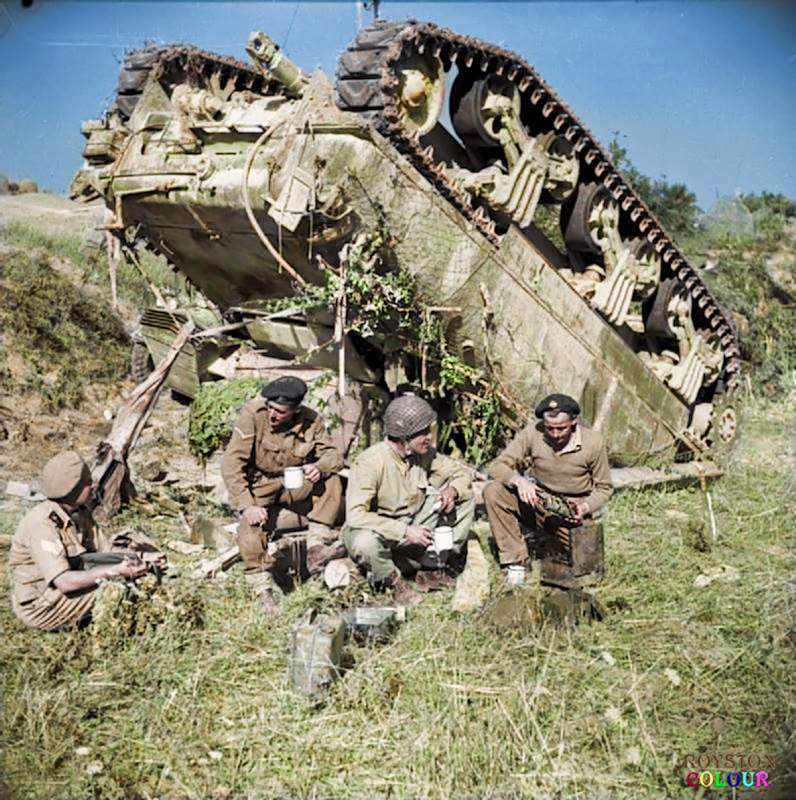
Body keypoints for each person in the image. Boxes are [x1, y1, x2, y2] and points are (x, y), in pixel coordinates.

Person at [221, 376, 344, 615]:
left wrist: (318, 467)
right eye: (270, 408)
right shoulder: (253, 415)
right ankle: (262, 588)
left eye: (280, 411)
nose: (273, 415)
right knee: (250, 527)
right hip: (260, 485)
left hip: (293, 482)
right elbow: (231, 464)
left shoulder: (311, 420)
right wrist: (247, 506)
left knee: (332, 479)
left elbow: (334, 457)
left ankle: (317, 546)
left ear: (296, 410)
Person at [342, 394, 475, 605]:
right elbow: (356, 516)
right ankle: (395, 584)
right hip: (380, 530)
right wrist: (404, 531)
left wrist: (452, 491)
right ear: (404, 438)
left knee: (466, 498)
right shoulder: (370, 462)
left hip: (413, 524)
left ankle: (430, 568)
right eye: (422, 433)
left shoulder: (424, 454)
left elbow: (461, 473)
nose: (429, 437)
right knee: (364, 542)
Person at [9, 450, 150, 631]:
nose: (93, 486)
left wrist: (141, 558)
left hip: (60, 590)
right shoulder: (42, 524)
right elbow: (65, 582)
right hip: (41, 605)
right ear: (72, 488)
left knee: (139, 574)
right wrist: (115, 571)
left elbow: (105, 552)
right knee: (122, 587)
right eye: (87, 482)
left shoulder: (78, 512)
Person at [483, 393, 613, 588]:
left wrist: (585, 508)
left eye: (561, 428)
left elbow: (604, 488)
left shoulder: (593, 443)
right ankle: (516, 560)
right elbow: (497, 466)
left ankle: (550, 542)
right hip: (537, 501)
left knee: (587, 569)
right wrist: (518, 481)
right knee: (493, 491)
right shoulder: (532, 433)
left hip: (571, 511)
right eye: (549, 428)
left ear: (574, 422)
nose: (555, 434)